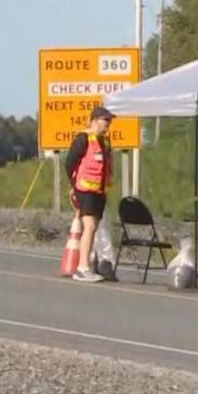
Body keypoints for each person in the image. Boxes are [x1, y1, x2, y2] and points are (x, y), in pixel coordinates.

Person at [65, 105, 115, 282]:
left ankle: (87, 263)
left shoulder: (105, 142)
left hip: (99, 191)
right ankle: (82, 268)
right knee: (90, 227)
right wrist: (73, 186)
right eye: (105, 120)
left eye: (109, 121)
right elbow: (70, 162)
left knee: (93, 228)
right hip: (84, 190)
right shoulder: (83, 138)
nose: (108, 124)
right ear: (94, 121)